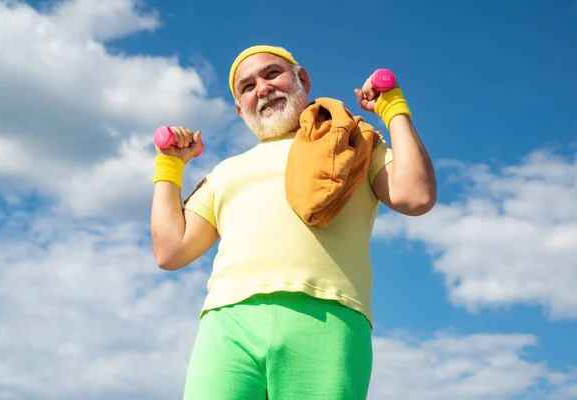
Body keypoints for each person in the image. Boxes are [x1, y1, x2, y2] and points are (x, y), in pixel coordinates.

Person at [150, 45, 437, 399]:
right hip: (227, 325)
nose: (263, 88)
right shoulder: (225, 173)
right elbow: (169, 250)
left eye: (272, 74)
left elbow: (416, 195)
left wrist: (392, 109)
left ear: (302, 79)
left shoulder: (354, 141)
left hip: (327, 321)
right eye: (248, 86)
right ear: (241, 110)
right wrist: (170, 165)